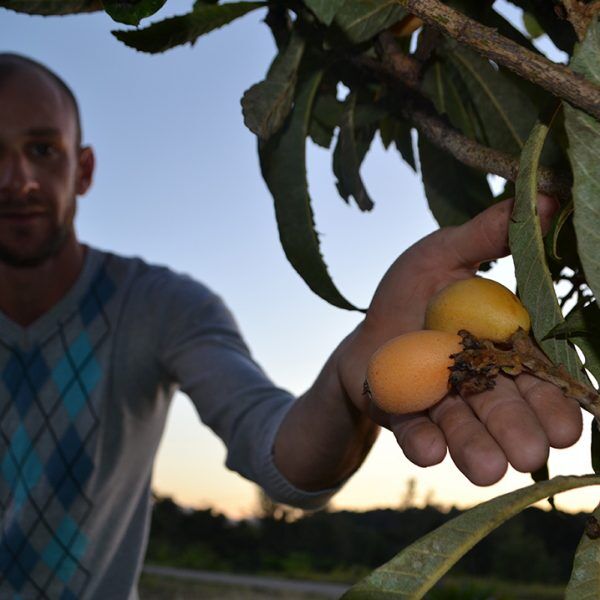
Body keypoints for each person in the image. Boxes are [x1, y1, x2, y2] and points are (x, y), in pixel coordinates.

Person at [0, 52, 583, 599]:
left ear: (83, 169)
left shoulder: (159, 306)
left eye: (43, 149)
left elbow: (278, 457)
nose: (17, 180)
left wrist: (347, 372)